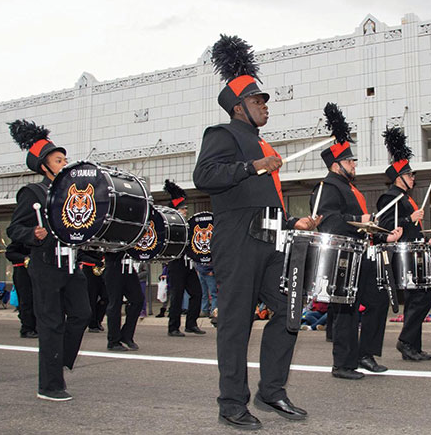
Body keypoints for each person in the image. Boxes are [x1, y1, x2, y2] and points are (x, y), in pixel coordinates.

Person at [193, 34, 318, 430]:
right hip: (236, 241)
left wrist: (291, 221)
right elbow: (204, 176)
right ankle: (231, 402)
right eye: (257, 100)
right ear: (238, 106)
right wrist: (253, 166)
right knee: (236, 323)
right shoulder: (223, 134)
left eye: (264, 101)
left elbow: (264, 202)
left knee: (289, 312)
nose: (264, 106)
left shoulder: (260, 143)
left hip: (269, 238)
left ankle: (271, 390)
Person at [311, 103, 402, 380]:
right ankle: (343, 364)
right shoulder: (327, 187)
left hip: (361, 254)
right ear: (337, 165)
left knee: (378, 300)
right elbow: (329, 221)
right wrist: (360, 217)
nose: (354, 165)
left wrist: (382, 234)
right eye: (350, 161)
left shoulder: (349, 187)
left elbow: (361, 225)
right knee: (345, 309)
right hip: (341, 257)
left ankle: (365, 354)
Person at [6, 119, 91, 401]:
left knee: (82, 314)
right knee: (51, 324)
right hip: (45, 264)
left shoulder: (71, 190)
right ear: (44, 165)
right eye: (58, 159)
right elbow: (14, 229)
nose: (64, 162)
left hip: (71, 263)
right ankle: (50, 385)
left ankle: (60, 359)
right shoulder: (33, 193)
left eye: (65, 158)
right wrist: (33, 233)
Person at [377, 126, 431, 362]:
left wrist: (428, 240)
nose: (413, 178)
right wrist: (408, 219)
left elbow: (412, 230)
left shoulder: (406, 198)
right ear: (399, 177)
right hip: (402, 255)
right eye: (410, 175)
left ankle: (413, 345)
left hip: (416, 252)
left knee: (422, 298)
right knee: (419, 298)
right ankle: (406, 342)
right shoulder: (390, 196)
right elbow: (383, 225)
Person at [163, 180, 204, 337]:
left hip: (189, 264)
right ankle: (173, 327)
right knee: (177, 295)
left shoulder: (188, 225)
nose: (186, 210)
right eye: (183, 208)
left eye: (186, 208)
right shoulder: (170, 226)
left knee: (197, 293)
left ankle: (191, 324)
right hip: (177, 263)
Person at [101, 249, 144, 351]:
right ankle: (113, 341)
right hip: (113, 265)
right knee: (115, 303)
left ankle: (126, 335)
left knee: (138, 300)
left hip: (128, 266)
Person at [5, 241, 37, 338]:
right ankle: (27, 328)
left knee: (38, 300)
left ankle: (36, 326)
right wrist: (25, 258)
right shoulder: (21, 238)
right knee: (26, 299)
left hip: (38, 271)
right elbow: (9, 253)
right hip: (23, 271)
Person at [79, 250, 107, 333]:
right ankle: (92, 323)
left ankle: (98, 319)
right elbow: (80, 255)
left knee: (106, 297)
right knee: (92, 297)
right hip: (89, 269)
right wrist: (94, 262)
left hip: (103, 269)